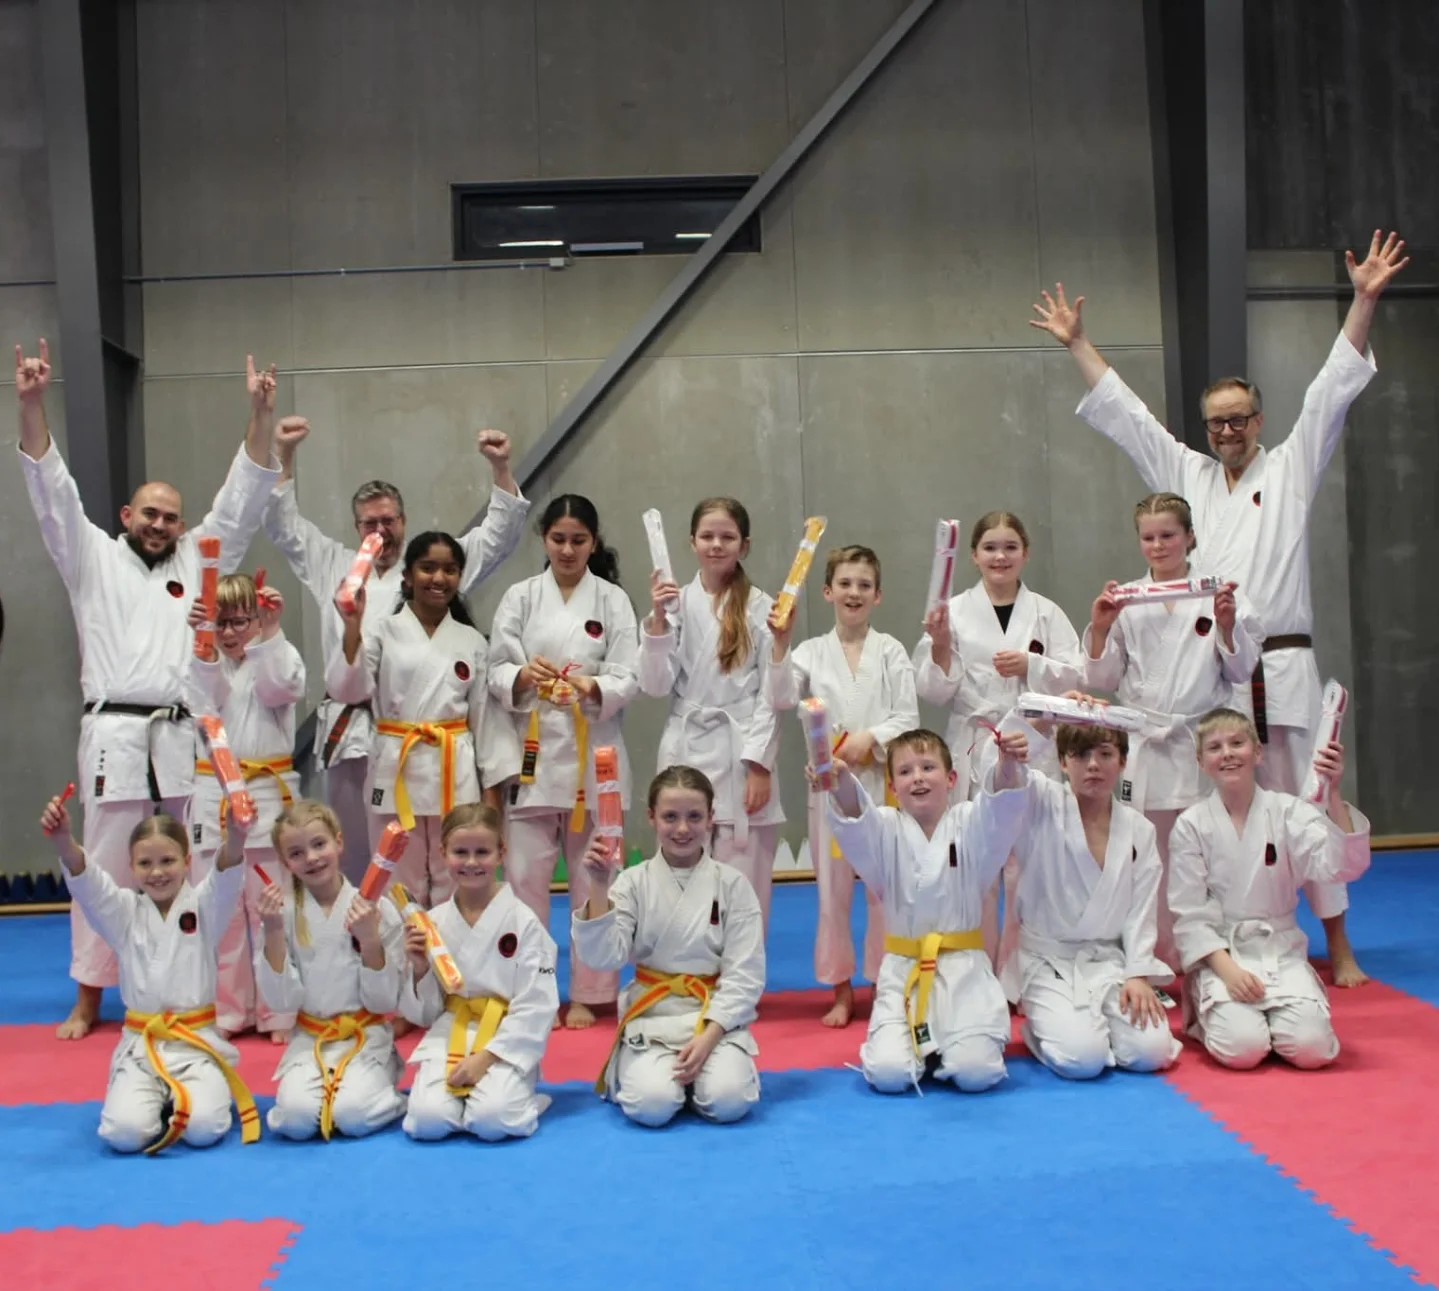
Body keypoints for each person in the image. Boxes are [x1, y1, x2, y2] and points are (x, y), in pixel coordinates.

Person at [1030, 229, 1407, 986]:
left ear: (1258, 421)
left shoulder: (1291, 467)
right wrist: (1078, 343)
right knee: (1223, 811)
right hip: (1216, 677)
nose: (1227, 431)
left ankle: (1337, 943)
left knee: (1303, 799)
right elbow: (1129, 417)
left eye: (1238, 419)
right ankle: (1216, 942)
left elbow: (1329, 391)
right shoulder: (1187, 476)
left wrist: (1363, 299)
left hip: (1281, 666)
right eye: (1215, 422)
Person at [16, 341, 284, 1039]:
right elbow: (52, 495)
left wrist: (260, 415)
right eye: (149, 514)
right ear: (126, 515)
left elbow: (242, 500)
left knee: (194, 863)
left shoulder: (199, 557)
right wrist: (31, 403)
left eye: (171, 516)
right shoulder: (92, 558)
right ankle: (88, 996)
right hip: (113, 732)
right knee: (106, 861)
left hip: (183, 733)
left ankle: (201, 990)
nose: (160, 524)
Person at [263, 418, 529, 885]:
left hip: (424, 729)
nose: (380, 530)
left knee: (439, 854)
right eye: (370, 523)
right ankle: (362, 923)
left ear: (403, 521)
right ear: (356, 526)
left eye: (389, 521)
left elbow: (497, 538)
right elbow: (285, 528)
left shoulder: (428, 566)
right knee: (354, 850)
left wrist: (501, 468)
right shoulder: (334, 564)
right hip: (354, 723)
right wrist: (283, 455)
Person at [1082, 492, 1261, 967]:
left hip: (1198, 742)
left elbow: (1240, 670)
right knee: (1147, 855)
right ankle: (1154, 954)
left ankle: (1215, 952)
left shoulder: (1217, 594)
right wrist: (1100, 628)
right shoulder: (1127, 600)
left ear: (1189, 537)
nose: (1158, 546)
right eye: (1149, 538)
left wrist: (1227, 625)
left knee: (1209, 849)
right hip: (1147, 743)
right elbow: (1103, 679)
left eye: (1168, 535)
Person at [488, 495, 639, 1029]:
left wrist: (591, 686)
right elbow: (494, 669)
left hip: (595, 757)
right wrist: (522, 677)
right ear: (543, 540)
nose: (568, 549)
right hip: (532, 759)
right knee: (525, 882)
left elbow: (630, 675)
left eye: (579, 540)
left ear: (594, 543)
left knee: (594, 877)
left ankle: (590, 993)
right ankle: (533, 990)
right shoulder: (520, 597)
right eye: (558, 539)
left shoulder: (613, 601)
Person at [40, 794, 260, 1153]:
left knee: (204, 1130)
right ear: (131, 867)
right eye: (145, 863)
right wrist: (64, 840)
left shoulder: (205, 908)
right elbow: (91, 887)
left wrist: (236, 835)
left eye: (167, 861)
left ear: (188, 861)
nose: (157, 872)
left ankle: (192, 1092)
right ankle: (158, 1099)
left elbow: (226, 877)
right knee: (123, 1134)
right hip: (142, 1046)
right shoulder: (124, 912)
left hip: (195, 1044)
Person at [913, 510, 1082, 965]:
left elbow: (1076, 676)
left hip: (1031, 742)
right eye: (990, 547)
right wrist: (941, 645)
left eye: (1010, 547)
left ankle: (1028, 967)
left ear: (1025, 553)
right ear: (973, 555)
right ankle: (978, 964)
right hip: (974, 738)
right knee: (976, 861)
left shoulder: (1046, 612)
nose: (1000, 556)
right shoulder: (953, 612)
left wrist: (1032, 665)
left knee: (1029, 864)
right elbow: (932, 690)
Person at [825, 728, 1029, 1095]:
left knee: (976, 1073)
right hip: (904, 968)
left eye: (928, 767)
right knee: (889, 1075)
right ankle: (924, 1045)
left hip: (963, 970)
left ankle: (952, 1045)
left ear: (951, 779)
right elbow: (855, 821)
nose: (917, 777)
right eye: (905, 771)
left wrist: (1008, 766)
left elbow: (999, 810)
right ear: (892, 786)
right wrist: (839, 782)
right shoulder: (885, 827)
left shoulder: (970, 822)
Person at [765, 544, 918, 1026]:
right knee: (832, 893)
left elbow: (908, 717)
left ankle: (885, 983)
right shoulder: (810, 652)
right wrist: (780, 644)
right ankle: (840, 989)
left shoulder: (891, 651)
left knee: (885, 891)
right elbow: (780, 697)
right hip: (829, 785)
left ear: (878, 595)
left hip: (881, 784)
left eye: (864, 585)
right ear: (828, 591)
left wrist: (869, 739)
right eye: (845, 584)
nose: (854, 592)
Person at [1168, 709, 1370, 1069]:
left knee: (1313, 1049)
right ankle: (1206, 999)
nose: (1227, 753)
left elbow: (1342, 866)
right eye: (1215, 747)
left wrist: (1333, 793)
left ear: (1257, 752)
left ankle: (1277, 1018)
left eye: (1237, 743)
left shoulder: (1288, 811)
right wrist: (1228, 971)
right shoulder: (1191, 825)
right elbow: (1190, 915)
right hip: (1223, 955)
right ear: (1200, 762)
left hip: (1280, 951)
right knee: (1243, 1050)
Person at [574, 766, 764, 1127]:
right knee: (652, 1106)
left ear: (711, 818)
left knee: (729, 1101)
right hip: (653, 1015)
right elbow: (603, 956)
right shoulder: (633, 882)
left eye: (694, 816)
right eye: (670, 817)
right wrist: (599, 886)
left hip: (713, 1015)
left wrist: (710, 1036)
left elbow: (746, 973)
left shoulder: (733, 885)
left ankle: (706, 1076)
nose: (682, 828)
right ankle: (658, 1076)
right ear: (651, 817)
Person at [328, 532, 510, 907]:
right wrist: (352, 626)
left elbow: (486, 722)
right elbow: (348, 689)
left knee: (457, 875)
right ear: (408, 576)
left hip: (454, 770)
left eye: (449, 570)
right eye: (427, 568)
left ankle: (452, 945)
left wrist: (491, 792)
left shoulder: (472, 641)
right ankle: (401, 945)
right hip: (397, 768)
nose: (438, 578)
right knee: (396, 876)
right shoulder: (381, 632)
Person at [1002, 721, 1180, 1079]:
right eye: (1081, 755)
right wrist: (1042, 721)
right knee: (1083, 1060)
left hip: (1109, 961)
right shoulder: (1040, 804)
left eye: (1105, 754)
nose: (1093, 765)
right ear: (1063, 762)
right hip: (1049, 962)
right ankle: (1040, 1028)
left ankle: (1093, 1026)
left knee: (1152, 1052)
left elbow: (1142, 910)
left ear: (1123, 761)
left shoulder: (1139, 830)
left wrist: (1137, 973)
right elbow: (1004, 780)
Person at [639, 498, 784, 926]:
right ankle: (683, 963)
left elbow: (773, 694)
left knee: (743, 884)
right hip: (685, 745)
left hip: (742, 751)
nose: (716, 545)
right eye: (707, 536)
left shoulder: (763, 607)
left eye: (727, 537)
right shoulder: (675, 604)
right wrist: (658, 622)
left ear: (745, 545)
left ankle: (741, 967)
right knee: (681, 877)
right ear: (692, 542)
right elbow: (654, 685)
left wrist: (760, 765)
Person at [186, 571, 306, 1041]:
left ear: (257, 620)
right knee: (223, 912)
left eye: (241, 621)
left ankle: (279, 1009)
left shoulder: (277, 654)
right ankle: (230, 1010)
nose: (231, 632)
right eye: (221, 623)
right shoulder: (201, 662)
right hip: (214, 794)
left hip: (267, 795)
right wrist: (202, 644)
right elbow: (206, 700)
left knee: (271, 908)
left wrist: (272, 632)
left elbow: (281, 690)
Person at [400, 803, 558, 1142]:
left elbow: (537, 1004)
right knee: (428, 1122)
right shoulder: (434, 922)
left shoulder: (523, 921)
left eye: (482, 852)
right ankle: (465, 1104)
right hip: (450, 1030)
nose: (471, 862)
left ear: (501, 852)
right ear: (443, 853)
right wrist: (420, 968)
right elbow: (424, 1013)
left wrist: (485, 1059)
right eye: (460, 852)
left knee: (492, 1121)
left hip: (505, 1037)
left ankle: (522, 1099)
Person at [256, 799, 407, 1141]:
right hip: (311, 1038)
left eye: (319, 844)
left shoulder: (375, 908)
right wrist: (273, 930)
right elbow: (281, 1002)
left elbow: (384, 1002)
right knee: (295, 1120)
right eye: (296, 853)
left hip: (365, 1036)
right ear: (284, 862)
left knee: (353, 1116)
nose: (311, 858)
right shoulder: (282, 914)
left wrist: (369, 940)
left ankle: (392, 1098)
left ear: (339, 842)